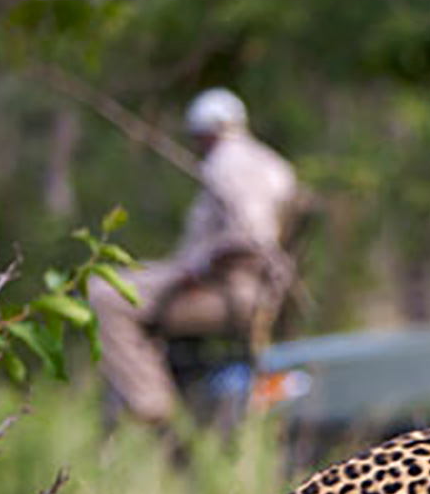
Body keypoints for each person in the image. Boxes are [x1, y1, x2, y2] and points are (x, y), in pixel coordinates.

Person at [89, 87, 299, 424]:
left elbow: (252, 235)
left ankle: (151, 405)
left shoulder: (227, 163)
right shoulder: (275, 165)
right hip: (258, 291)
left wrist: (199, 267)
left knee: (105, 294)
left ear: (205, 132)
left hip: (229, 291)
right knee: (130, 279)